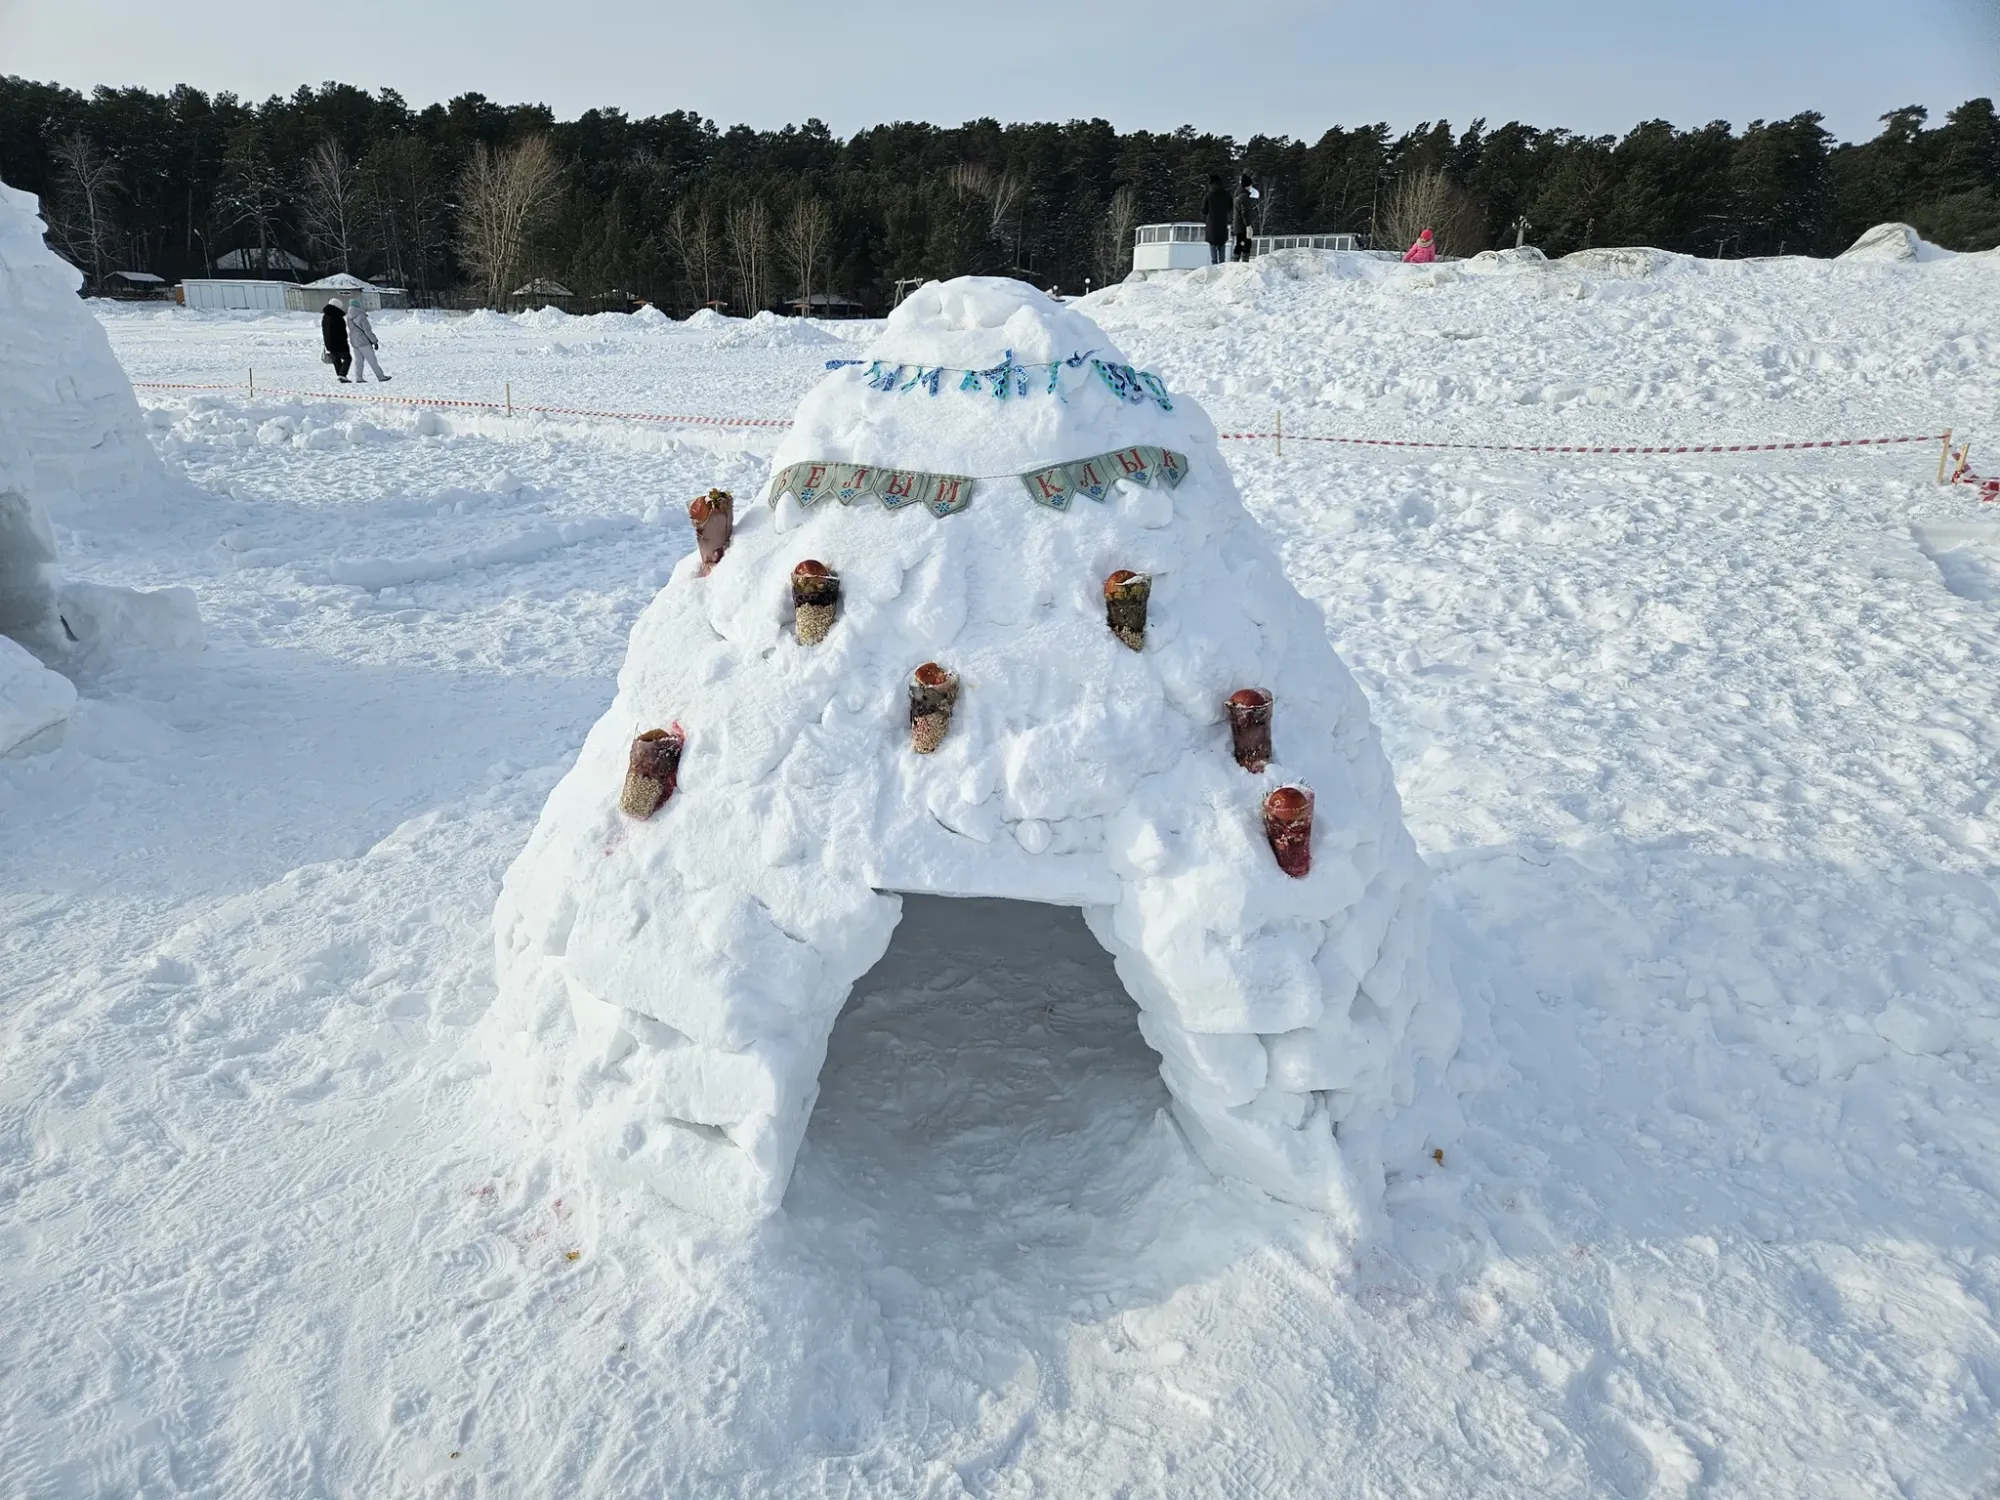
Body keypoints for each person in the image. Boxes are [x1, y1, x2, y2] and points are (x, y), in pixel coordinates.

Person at [345, 298, 390, 383]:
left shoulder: (348, 316)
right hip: (363, 341)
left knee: (358, 361)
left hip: (354, 340)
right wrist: (374, 341)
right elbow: (367, 330)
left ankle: (359, 378)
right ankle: (380, 376)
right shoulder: (360, 315)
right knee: (372, 359)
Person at [1201, 173, 1231, 265]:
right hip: (1222, 223)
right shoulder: (1226, 194)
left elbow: (1204, 210)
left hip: (1211, 225)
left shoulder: (1208, 195)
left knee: (1213, 245)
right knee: (1222, 244)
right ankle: (1222, 264)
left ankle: (1214, 265)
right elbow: (1230, 207)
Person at [321, 298, 351, 382]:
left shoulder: (325, 316)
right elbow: (341, 332)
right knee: (347, 358)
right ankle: (342, 375)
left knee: (336, 359)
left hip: (329, 343)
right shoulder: (337, 317)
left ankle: (339, 375)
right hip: (339, 343)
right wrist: (344, 340)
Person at [1231, 172, 1258, 262]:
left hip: (1238, 225)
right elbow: (1245, 212)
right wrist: (1248, 226)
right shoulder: (1244, 197)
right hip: (1243, 226)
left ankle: (1237, 262)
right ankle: (1242, 263)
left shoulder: (1238, 195)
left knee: (1241, 243)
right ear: (1247, 185)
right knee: (1244, 243)